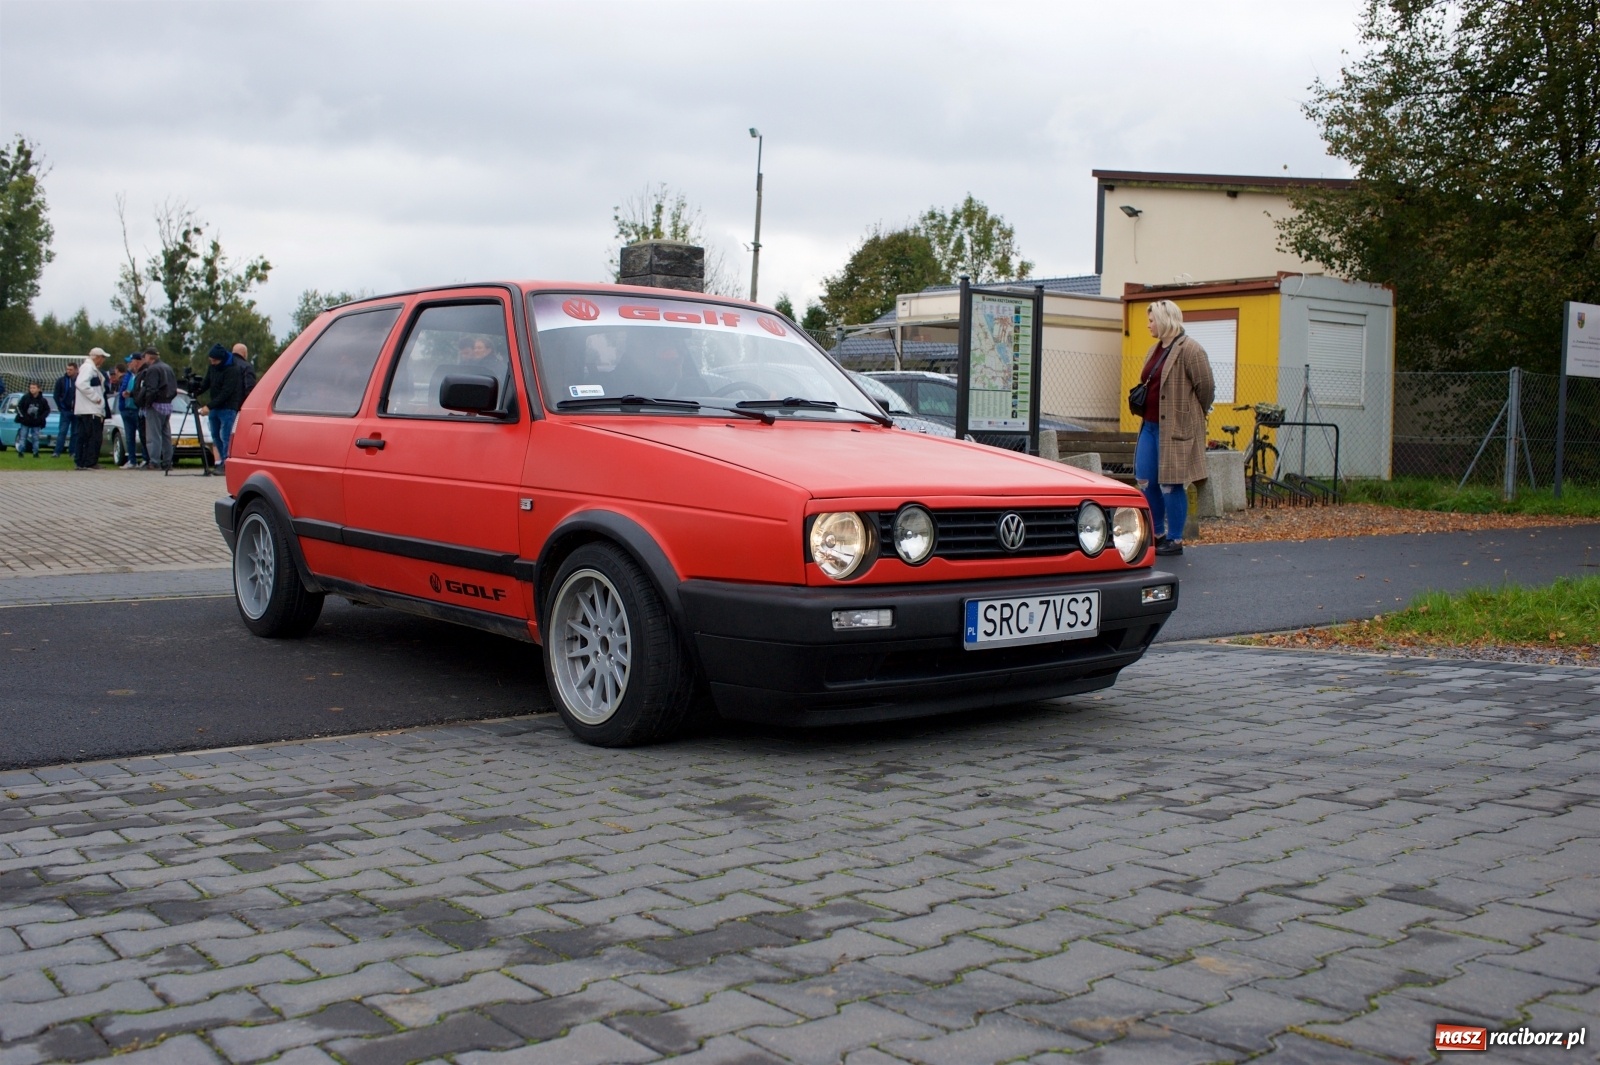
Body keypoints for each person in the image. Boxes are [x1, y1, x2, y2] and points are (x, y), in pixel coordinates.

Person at [1135, 299, 1215, 557]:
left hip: (1175, 429)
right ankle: (1157, 534)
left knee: (1171, 484)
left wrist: (1190, 414)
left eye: (1151, 320)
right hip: (1148, 426)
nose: (1148, 325)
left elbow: (1206, 389)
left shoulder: (1191, 349)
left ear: (1164, 319)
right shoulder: (1153, 349)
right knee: (1146, 480)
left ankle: (1175, 538)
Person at [194, 343, 243, 468]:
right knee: (215, 435)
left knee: (225, 436)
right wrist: (196, 391)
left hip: (228, 407)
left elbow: (226, 392)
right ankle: (222, 460)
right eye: (211, 361)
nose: (212, 363)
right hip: (215, 407)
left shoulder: (233, 369)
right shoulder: (213, 367)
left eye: (214, 361)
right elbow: (207, 382)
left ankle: (228, 463)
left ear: (221, 359)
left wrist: (208, 406)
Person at [134, 348, 177, 471]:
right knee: (166, 434)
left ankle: (154, 461)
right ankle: (168, 461)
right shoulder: (168, 368)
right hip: (167, 405)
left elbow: (151, 389)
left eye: (145, 356)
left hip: (156, 404)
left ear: (149, 357)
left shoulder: (153, 369)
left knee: (153, 435)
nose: (144, 359)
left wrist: (147, 403)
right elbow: (174, 388)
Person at [73, 348, 109, 470]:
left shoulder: (91, 368)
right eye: (103, 358)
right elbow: (81, 383)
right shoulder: (88, 368)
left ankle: (82, 461)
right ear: (97, 357)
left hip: (88, 409)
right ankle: (89, 461)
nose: (103, 361)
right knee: (93, 436)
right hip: (90, 409)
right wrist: (96, 398)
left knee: (84, 436)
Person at [118, 354, 147, 467]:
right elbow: (122, 389)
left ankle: (145, 458)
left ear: (136, 362)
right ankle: (132, 460)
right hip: (126, 409)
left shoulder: (142, 374)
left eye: (130, 362)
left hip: (137, 409)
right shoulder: (128, 375)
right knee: (129, 436)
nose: (128, 364)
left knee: (142, 435)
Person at [14, 381, 50, 457]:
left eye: (34, 388)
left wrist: (41, 418)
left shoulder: (42, 400)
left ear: (39, 389)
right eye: (31, 388)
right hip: (25, 421)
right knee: (23, 436)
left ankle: (35, 452)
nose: (32, 389)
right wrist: (23, 416)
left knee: (35, 437)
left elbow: (47, 410)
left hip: (36, 422)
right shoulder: (25, 397)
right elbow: (19, 407)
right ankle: (21, 452)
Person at [51, 361, 77, 458]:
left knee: (75, 432)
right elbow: (56, 395)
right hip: (65, 410)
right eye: (67, 369)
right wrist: (60, 407)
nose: (68, 371)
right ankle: (57, 451)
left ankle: (73, 452)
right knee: (62, 431)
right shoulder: (61, 381)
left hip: (76, 410)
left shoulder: (79, 380)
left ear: (76, 370)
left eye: (71, 369)